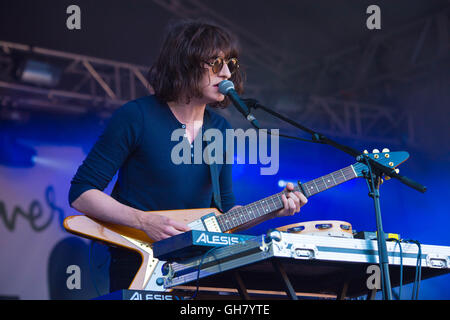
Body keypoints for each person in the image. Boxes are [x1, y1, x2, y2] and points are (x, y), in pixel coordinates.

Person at [68, 19, 308, 292]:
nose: (227, 73)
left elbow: (225, 213)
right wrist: (144, 221)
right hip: (138, 260)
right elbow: (81, 193)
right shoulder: (137, 116)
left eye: (231, 64)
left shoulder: (221, 129)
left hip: (199, 270)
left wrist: (271, 211)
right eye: (216, 63)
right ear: (185, 63)